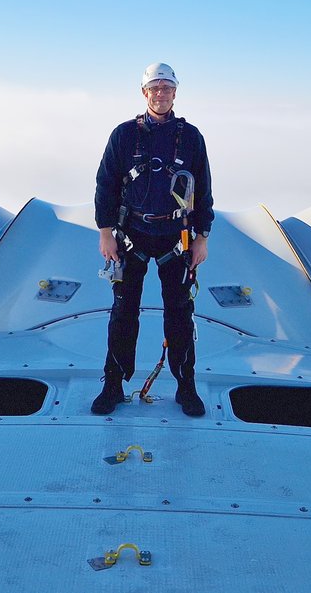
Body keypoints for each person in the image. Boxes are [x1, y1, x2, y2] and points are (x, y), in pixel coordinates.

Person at [91, 62, 214, 417]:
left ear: (175, 92)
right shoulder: (124, 134)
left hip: (177, 239)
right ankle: (113, 384)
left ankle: (185, 385)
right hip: (132, 236)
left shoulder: (191, 137)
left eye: (167, 88)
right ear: (144, 93)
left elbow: (203, 188)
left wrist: (202, 237)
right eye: (154, 88)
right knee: (123, 313)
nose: (161, 94)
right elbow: (106, 184)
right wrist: (105, 232)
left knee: (180, 314)